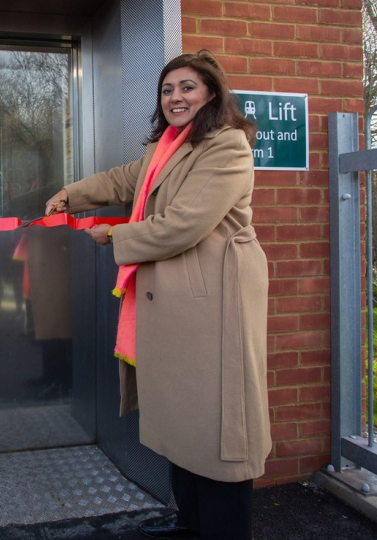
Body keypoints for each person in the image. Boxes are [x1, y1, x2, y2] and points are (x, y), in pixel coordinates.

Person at [44, 51, 269, 540]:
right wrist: (71, 194)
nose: (175, 97)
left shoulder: (227, 146)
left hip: (214, 307)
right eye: (168, 90)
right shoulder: (165, 148)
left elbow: (183, 224)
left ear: (211, 92)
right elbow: (120, 181)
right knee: (184, 423)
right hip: (178, 305)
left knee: (216, 430)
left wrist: (116, 238)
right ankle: (189, 523)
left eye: (187, 87)